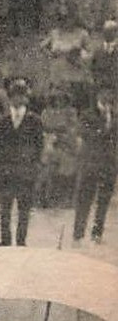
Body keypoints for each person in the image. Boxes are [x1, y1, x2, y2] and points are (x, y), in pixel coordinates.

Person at [0, 79, 44, 245]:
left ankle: (21, 242)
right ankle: (5, 243)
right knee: (5, 211)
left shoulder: (35, 121)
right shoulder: (2, 121)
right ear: (10, 97)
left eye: (22, 95)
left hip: (25, 172)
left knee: (24, 211)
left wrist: (32, 167)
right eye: (15, 95)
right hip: (6, 172)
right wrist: (2, 165)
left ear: (27, 98)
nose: (19, 99)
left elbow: (39, 147)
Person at [71, 88, 117, 245]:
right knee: (85, 199)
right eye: (105, 94)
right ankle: (78, 234)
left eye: (111, 94)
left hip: (109, 163)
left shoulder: (115, 115)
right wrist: (104, 131)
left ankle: (97, 233)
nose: (108, 97)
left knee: (104, 199)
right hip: (91, 163)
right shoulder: (88, 115)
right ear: (98, 96)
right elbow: (84, 134)